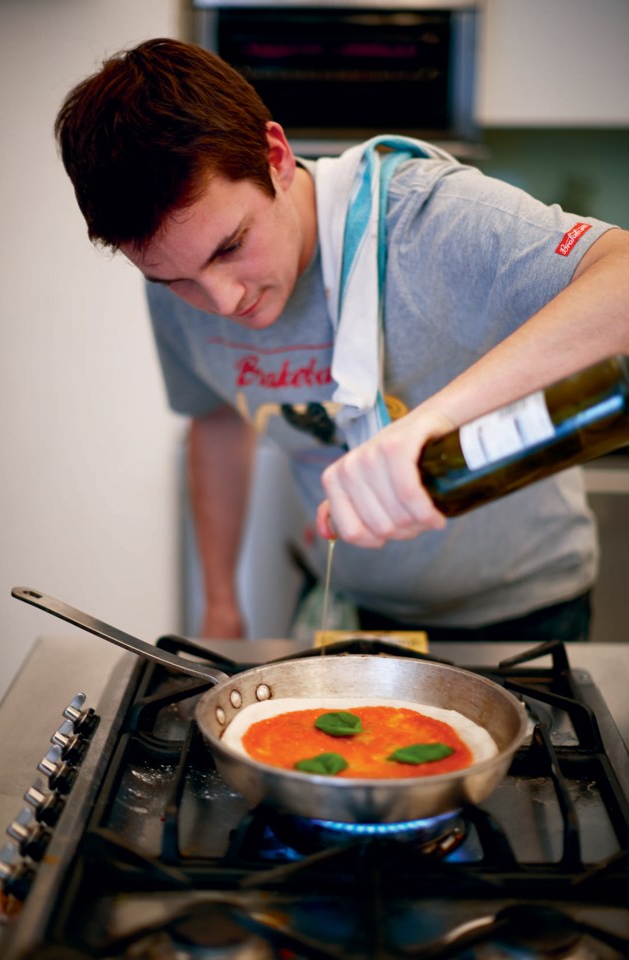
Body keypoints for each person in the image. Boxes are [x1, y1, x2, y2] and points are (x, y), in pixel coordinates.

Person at [54, 38, 629, 644]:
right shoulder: (175, 283)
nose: (222, 303)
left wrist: (426, 425)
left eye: (230, 247)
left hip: (525, 611)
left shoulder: (426, 219)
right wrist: (219, 602)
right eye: (175, 279)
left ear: (274, 156)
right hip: (349, 606)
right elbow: (217, 418)